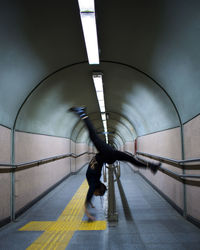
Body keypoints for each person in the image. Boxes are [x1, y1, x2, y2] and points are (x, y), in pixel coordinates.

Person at [69, 106, 161, 221]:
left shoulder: (93, 183)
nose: (95, 195)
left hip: (108, 155)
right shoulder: (93, 183)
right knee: (129, 158)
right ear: (98, 189)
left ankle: (152, 166)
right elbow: (89, 196)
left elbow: (89, 196)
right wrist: (88, 212)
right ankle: (82, 113)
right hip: (107, 154)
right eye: (97, 194)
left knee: (131, 159)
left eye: (96, 195)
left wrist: (89, 207)